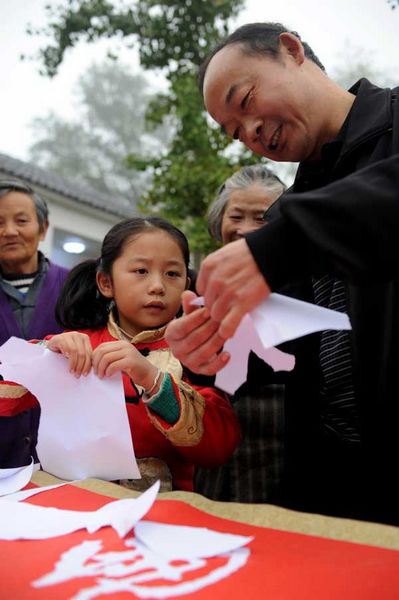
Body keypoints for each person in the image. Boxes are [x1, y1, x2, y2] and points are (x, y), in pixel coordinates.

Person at [166, 22, 399, 524]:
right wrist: (213, 351)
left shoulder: (393, 124)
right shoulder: (288, 211)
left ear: (291, 50)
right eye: (234, 131)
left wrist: (284, 243)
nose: (249, 133)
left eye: (245, 100)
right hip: (335, 474)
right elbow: (285, 349)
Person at [1, 216, 240, 491]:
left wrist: (153, 380)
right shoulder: (76, 347)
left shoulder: (196, 351)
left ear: (186, 283)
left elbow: (219, 448)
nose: (158, 286)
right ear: (106, 282)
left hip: (160, 515)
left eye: (172, 274)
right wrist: (45, 354)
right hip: (75, 508)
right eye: (141, 271)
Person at [195, 164, 287, 502]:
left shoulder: (307, 284)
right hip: (216, 437)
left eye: (262, 218)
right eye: (236, 216)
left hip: (287, 440)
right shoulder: (197, 287)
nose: (246, 230)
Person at [0, 178, 68, 469]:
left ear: (43, 229)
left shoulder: (76, 287)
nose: (9, 231)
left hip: (65, 457)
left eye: (22, 220)